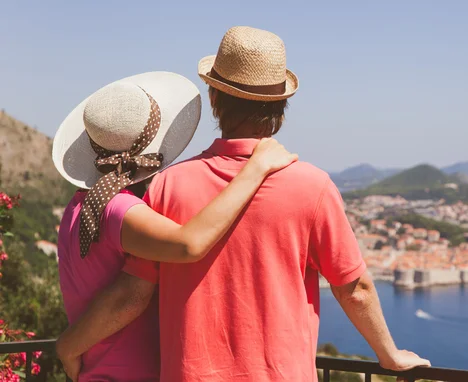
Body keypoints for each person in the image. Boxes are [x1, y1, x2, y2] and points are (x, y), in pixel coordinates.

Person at [56, 27, 430, 382]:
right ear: (282, 105)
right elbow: (356, 289)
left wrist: (70, 346)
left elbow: (135, 291)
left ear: (214, 97)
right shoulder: (311, 186)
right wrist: (389, 356)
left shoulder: (169, 183)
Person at [52, 71, 297, 381]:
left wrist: (71, 347)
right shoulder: (121, 210)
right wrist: (256, 168)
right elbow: (187, 245)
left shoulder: (79, 207)